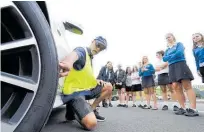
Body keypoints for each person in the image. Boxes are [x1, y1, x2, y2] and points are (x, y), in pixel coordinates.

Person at [59, 36, 113, 130]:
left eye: (102, 48)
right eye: (98, 45)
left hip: (86, 91)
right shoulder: (82, 51)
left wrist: (96, 81)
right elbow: (75, 54)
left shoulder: (91, 58)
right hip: (75, 93)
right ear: (93, 42)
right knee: (91, 123)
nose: (98, 49)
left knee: (108, 87)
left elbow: (84, 75)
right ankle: (73, 110)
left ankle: (91, 109)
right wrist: (67, 62)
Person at [163, 33, 199, 116]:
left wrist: (170, 56)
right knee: (176, 86)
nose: (168, 38)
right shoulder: (167, 49)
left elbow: (179, 53)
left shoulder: (179, 44)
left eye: (169, 36)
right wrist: (173, 55)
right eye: (166, 38)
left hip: (180, 64)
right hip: (172, 67)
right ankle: (183, 107)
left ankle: (193, 109)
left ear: (173, 37)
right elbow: (164, 59)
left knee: (187, 86)